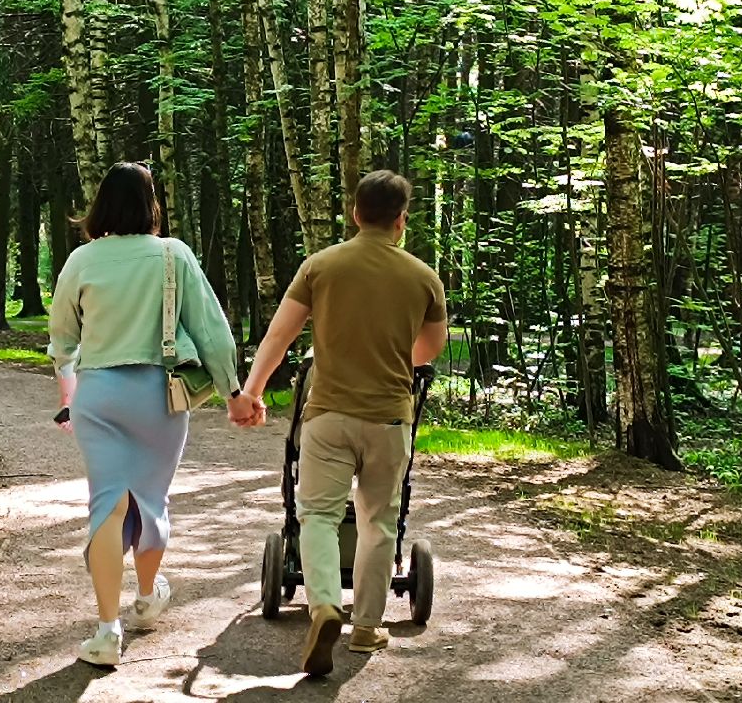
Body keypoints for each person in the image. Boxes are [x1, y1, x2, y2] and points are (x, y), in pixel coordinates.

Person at [49, 162, 261, 668]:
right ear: (151, 206)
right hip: (157, 397)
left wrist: (70, 391)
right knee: (149, 500)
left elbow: (63, 341)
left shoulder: (81, 260)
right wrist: (233, 393)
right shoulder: (173, 255)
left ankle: (107, 631)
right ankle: (146, 598)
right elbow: (211, 332)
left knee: (107, 505)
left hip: (98, 395)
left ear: (101, 205)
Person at [238, 170, 449, 677]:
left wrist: (251, 392)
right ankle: (366, 626)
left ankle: (325, 605)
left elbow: (279, 337)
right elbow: (428, 350)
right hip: (389, 419)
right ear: (401, 220)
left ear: (355, 213)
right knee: (379, 522)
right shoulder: (424, 277)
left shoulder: (321, 266)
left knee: (317, 516)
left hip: (328, 415)